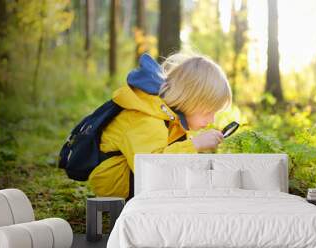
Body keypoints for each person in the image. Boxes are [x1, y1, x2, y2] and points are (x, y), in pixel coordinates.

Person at [88, 53, 232, 200]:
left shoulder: (171, 117)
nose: (212, 119)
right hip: (118, 186)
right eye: (208, 111)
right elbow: (150, 168)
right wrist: (195, 145)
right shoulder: (145, 116)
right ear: (190, 99)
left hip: (138, 180)